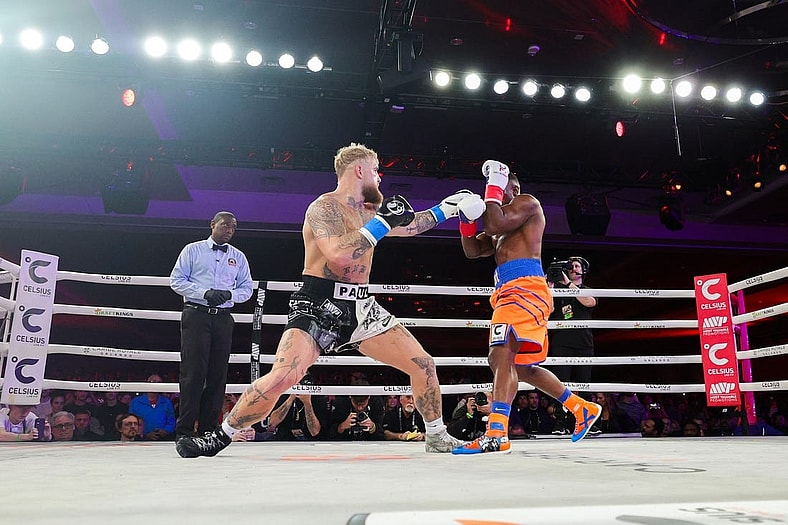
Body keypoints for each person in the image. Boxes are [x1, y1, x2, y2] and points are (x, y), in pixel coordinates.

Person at [176, 142, 473, 457]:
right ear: (359, 170)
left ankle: (438, 436)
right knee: (285, 375)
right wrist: (383, 223)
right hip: (318, 303)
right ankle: (219, 436)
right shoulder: (324, 208)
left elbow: (410, 225)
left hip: (361, 306)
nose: (380, 178)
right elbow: (338, 255)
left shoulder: (372, 209)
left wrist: (449, 208)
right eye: (375, 170)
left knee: (423, 363)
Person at [452, 160, 601, 454]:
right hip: (509, 292)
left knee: (500, 355)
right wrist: (465, 220)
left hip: (524, 289)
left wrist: (494, 185)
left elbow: (494, 221)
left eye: (495, 187)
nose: (488, 195)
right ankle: (580, 407)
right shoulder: (499, 226)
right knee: (521, 366)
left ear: (512, 187)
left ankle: (496, 433)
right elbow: (472, 250)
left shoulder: (527, 204)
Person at [170, 211, 254, 439]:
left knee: (218, 374)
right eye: (225, 225)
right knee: (193, 373)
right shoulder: (192, 250)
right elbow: (176, 280)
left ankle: (209, 431)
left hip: (223, 317)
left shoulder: (238, 256)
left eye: (233, 227)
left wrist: (228, 294)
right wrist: (205, 293)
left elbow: (247, 289)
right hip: (196, 314)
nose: (229, 230)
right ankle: (185, 431)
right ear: (212, 224)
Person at [546, 255, 597, 434]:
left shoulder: (585, 290)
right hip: (562, 342)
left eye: (576, 266)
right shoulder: (559, 291)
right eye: (569, 266)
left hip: (584, 343)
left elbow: (589, 302)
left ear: (583, 270)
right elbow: (549, 309)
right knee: (561, 383)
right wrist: (550, 286)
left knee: (585, 383)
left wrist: (568, 284)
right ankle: (560, 422)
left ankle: (588, 422)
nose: (572, 268)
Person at [129, 374, 176, 441]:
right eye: (153, 382)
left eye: (159, 383)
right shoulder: (135, 402)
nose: (156, 384)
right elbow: (131, 421)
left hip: (163, 440)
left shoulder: (167, 402)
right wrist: (145, 433)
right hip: (141, 440)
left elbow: (171, 421)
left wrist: (165, 431)